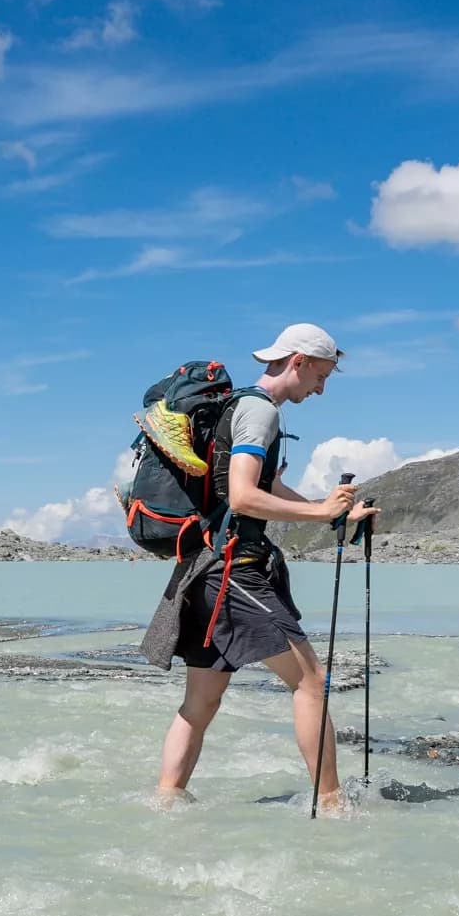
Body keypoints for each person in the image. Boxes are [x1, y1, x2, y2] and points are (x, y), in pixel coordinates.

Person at [150, 323, 380, 813]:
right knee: (310, 681)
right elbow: (243, 495)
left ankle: (165, 805)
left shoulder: (242, 408)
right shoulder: (259, 412)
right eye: (322, 375)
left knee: (201, 702)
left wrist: (333, 514)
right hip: (234, 571)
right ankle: (333, 804)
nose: (322, 388)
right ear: (298, 361)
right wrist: (322, 513)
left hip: (206, 568)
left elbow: (268, 487)